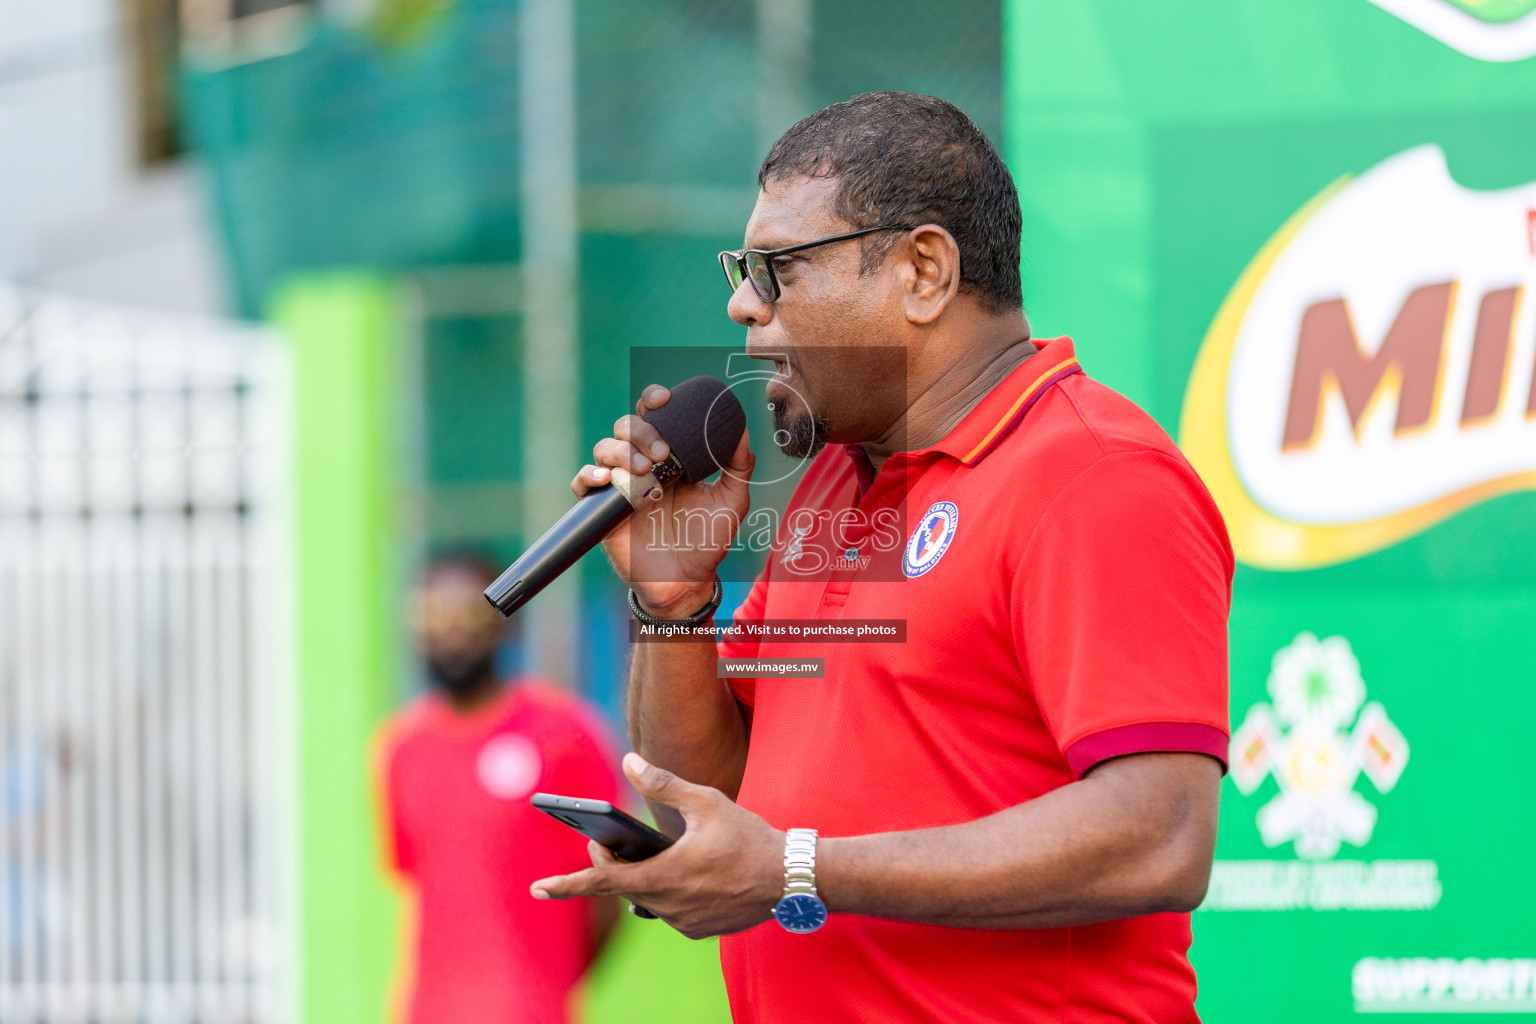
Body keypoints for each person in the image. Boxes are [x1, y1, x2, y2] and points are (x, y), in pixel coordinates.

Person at [532, 92, 1233, 1023]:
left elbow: (1159, 836)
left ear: (924, 271)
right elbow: (713, 803)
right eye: (743, 269)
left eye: (777, 270)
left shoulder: (1093, 476)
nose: (742, 304)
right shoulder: (831, 481)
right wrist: (674, 602)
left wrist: (794, 869)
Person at [376, 554, 621, 1024]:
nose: (450, 634)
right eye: (432, 617)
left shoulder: (565, 736)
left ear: (505, 622)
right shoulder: (401, 749)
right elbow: (421, 894)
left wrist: (547, 982)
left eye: (467, 615)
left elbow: (607, 889)